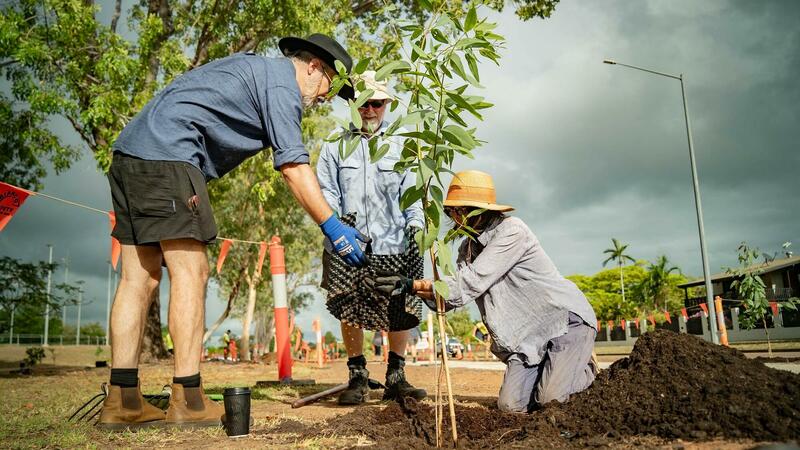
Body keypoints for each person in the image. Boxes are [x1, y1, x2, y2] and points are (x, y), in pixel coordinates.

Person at [99, 34, 368, 430]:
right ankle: (188, 399)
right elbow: (293, 166)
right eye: (330, 84)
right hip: (169, 156)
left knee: (139, 278)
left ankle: (122, 400)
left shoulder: (254, 69)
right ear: (313, 66)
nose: (326, 97)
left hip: (131, 155)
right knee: (192, 273)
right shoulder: (282, 84)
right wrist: (332, 226)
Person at [369, 170, 599, 413]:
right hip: (526, 342)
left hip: (563, 323)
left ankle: (587, 372)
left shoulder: (512, 231)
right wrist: (408, 290)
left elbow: (470, 282)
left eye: (461, 210)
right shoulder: (466, 250)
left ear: (480, 210)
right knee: (511, 407)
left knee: (552, 400)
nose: (456, 217)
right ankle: (557, 374)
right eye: (452, 212)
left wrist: (412, 284)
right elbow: (449, 300)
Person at [317, 71, 426, 405]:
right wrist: (335, 230)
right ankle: (357, 376)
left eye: (376, 103)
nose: (369, 110)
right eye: (363, 102)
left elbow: (413, 195)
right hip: (347, 242)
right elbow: (325, 191)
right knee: (349, 302)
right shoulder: (335, 143)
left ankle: (396, 377)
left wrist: (418, 232)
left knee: (399, 305)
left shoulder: (403, 145)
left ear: (386, 105)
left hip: (394, 241)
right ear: (353, 103)